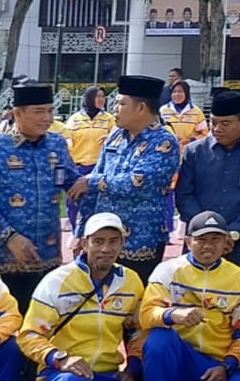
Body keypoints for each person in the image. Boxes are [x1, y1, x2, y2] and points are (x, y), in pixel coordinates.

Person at [19, 213, 152, 381]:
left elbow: (137, 331)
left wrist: (132, 368)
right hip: (61, 374)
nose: (106, 249)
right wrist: (60, 359)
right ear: (84, 243)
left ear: (122, 244)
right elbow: (28, 335)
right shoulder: (57, 281)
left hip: (107, 375)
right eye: (98, 241)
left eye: (113, 241)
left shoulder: (131, 281)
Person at [0, 83, 72, 381]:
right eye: (38, 112)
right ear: (17, 113)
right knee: (4, 331)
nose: (46, 118)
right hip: (3, 259)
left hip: (46, 256)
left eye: (49, 112)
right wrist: (9, 237)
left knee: (38, 327)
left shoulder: (58, 145)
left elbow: (71, 182)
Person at [140, 211, 240, 381]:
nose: (208, 246)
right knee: (159, 339)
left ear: (226, 243)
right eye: (201, 239)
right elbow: (146, 314)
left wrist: (227, 366)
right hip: (179, 358)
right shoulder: (167, 270)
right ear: (188, 242)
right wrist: (173, 315)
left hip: (216, 363)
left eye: (216, 239)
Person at [175, 88, 240, 296]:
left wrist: (232, 233)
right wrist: (208, 233)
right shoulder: (195, 151)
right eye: (213, 122)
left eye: (225, 123)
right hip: (200, 246)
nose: (217, 129)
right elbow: (184, 196)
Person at [73, 75, 180, 283]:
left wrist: (91, 181)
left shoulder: (164, 142)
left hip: (140, 241)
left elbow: (137, 182)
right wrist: (82, 230)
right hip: (102, 239)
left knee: (133, 295)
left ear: (141, 108)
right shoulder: (115, 136)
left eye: (121, 104)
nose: (114, 109)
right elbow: (93, 185)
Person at [63, 86, 115, 177]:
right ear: (89, 98)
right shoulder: (75, 119)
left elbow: (117, 138)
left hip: (100, 166)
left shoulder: (109, 119)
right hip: (78, 166)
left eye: (103, 97)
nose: (101, 99)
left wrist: (109, 138)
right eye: (97, 96)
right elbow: (66, 139)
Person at [160, 79, 207, 146]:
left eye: (180, 91)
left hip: (189, 149)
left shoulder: (196, 112)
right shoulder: (163, 110)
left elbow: (204, 134)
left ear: (186, 93)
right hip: (169, 149)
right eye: (174, 92)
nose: (177, 94)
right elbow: (157, 131)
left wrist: (190, 140)